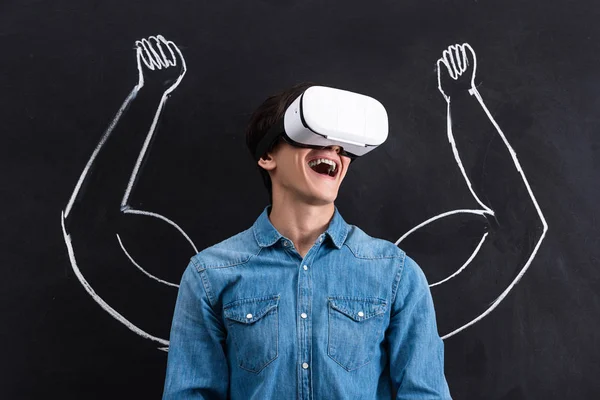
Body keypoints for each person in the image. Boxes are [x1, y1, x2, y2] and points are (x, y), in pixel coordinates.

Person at [163, 82, 451, 399]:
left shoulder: (395, 274)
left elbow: (425, 394)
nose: (333, 152)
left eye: (342, 146)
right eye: (314, 138)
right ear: (268, 154)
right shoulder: (210, 275)